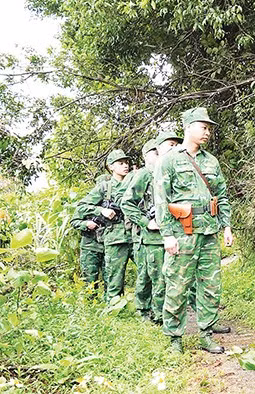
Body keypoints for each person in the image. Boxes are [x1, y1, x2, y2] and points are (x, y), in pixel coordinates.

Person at [154, 108, 232, 354]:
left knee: (211, 285)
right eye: (203, 127)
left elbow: (221, 195)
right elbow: (160, 199)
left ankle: (206, 334)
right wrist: (167, 234)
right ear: (188, 127)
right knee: (178, 284)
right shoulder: (169, 160)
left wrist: (226, 225)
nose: (207, 132)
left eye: (209, 128)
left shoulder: (211, 161)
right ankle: (174, 338)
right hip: (181, 233)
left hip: (208, 232)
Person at [121, 132, 180, 324]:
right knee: (156, 278)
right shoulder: (145, 174)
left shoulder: (174, 170)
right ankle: (156, 316)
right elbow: (127, 203)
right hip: (153, 238)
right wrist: (147, 222)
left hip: (176, 233)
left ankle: (168, 314)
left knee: (174, 278)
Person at [76, 149, 135, 302]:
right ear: (111, 167)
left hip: (136, 236)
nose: (125, 166)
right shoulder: (104, 187)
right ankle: (113, 311)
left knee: (148, 272)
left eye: (127, 163)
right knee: (113, 280)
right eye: (120, 163)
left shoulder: (135, 183)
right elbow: (82, 207)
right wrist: (102, 210)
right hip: (115, 237)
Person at [70, 173, 111, 292]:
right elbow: (74, 221)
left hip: (107, 247)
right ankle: (90, 306)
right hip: (90, 247)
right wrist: (86, 224)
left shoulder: (111, 204)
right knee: (89, 282)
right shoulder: (88, 204)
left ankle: (109, 306)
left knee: (110, 279)